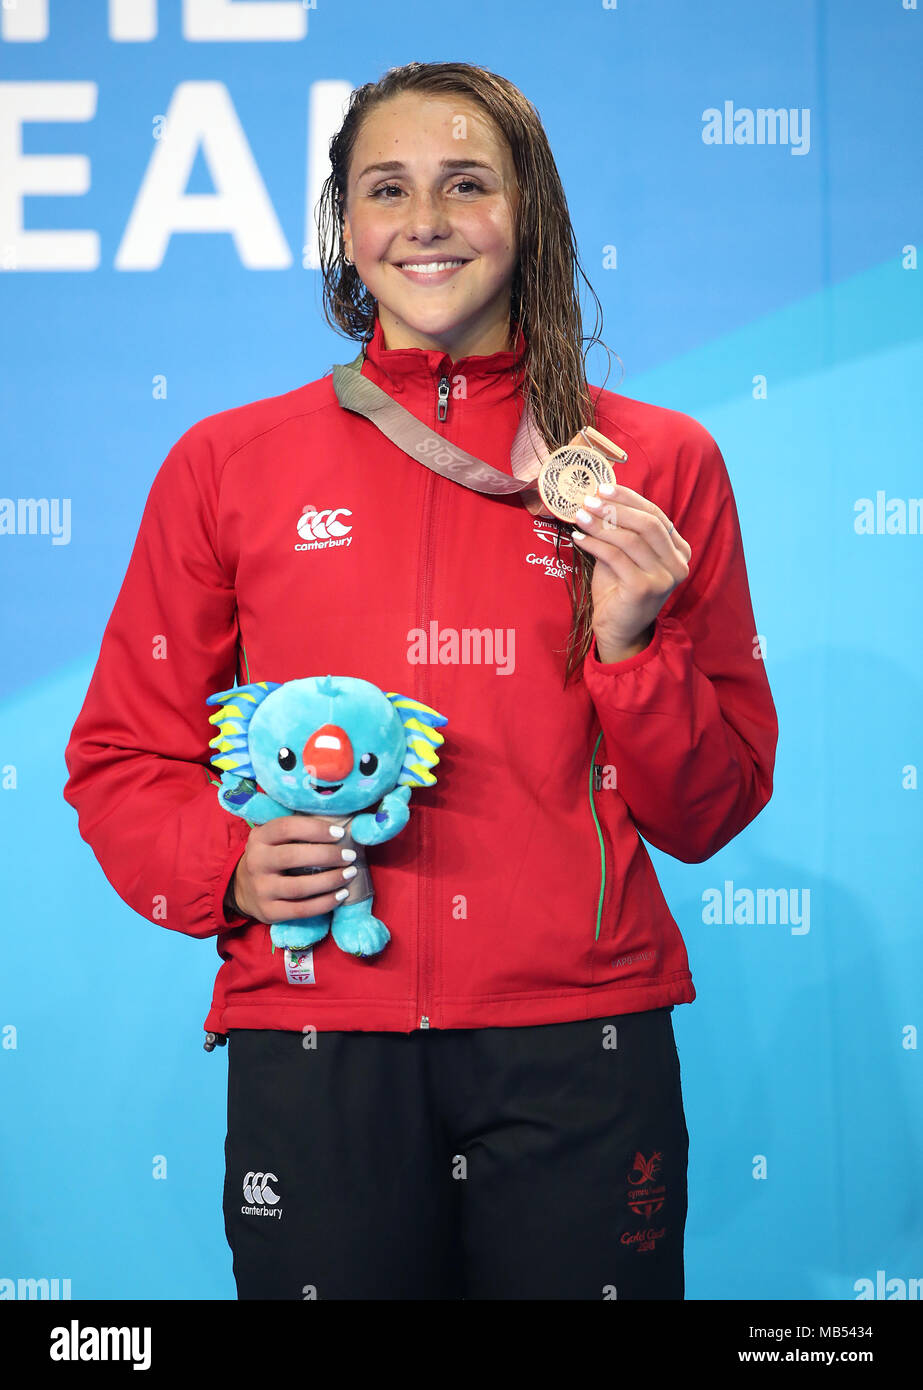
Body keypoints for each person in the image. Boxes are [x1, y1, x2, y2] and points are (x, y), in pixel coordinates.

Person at [62, 61, 778, 1301]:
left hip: (579, 1042)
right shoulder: (228, 462)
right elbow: (121, 755)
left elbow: (709, 809)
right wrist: (221, 866)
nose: (426, 221)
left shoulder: (652, 464)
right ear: (346, 228)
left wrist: (629, 648)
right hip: (314, 1028)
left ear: (531, 211)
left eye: (466, 183)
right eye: (385, 189)